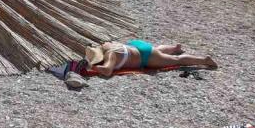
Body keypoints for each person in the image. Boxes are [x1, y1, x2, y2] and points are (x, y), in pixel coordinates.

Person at [85, 40, 216, 78]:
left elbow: (107, 70)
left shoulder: (110, 54)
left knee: (176, 60)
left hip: (145, 56)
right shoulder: (108, 45)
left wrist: (92, 66)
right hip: (135, 45)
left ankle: (204, 60)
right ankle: (174, 47)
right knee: (157, 49)